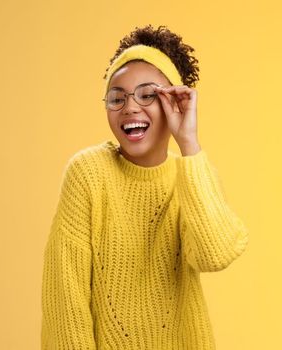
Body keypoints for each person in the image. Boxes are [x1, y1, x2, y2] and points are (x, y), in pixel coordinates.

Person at [41, 24, 249, 349]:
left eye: (148, 94)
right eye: (117, 97)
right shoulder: (88, 173)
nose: (130, 107)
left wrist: (189, 142)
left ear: (174, 101)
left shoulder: (194, 178)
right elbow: (66, 298)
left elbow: (215, 254)